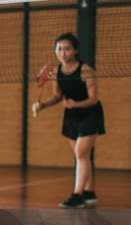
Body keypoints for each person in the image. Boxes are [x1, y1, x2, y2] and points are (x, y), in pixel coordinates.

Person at [32, 32, 104, 208]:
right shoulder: (56, 72)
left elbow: (93, 99)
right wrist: (42, 105)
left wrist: (76, 104)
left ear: (75, 51)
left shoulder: (86, 70)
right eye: (59, 49)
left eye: (67, 49)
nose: (63, 53)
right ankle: (89, 192)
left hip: (90, 114)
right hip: (72, 117)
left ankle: (77, 195)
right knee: (82, 155)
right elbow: (57, 96)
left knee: (80, 153)